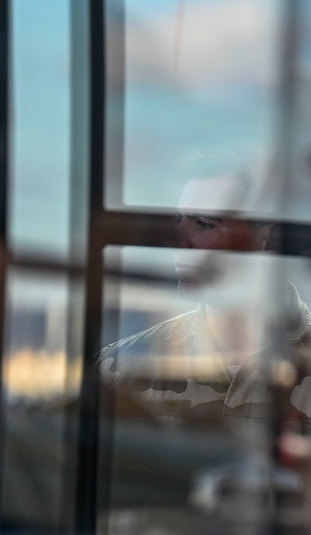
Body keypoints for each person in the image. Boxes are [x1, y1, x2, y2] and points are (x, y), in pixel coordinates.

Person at [97, 169, 311, 429]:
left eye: (204, 224)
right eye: (178, 222)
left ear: (269, 238)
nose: (179, 243)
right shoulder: (121, 367)